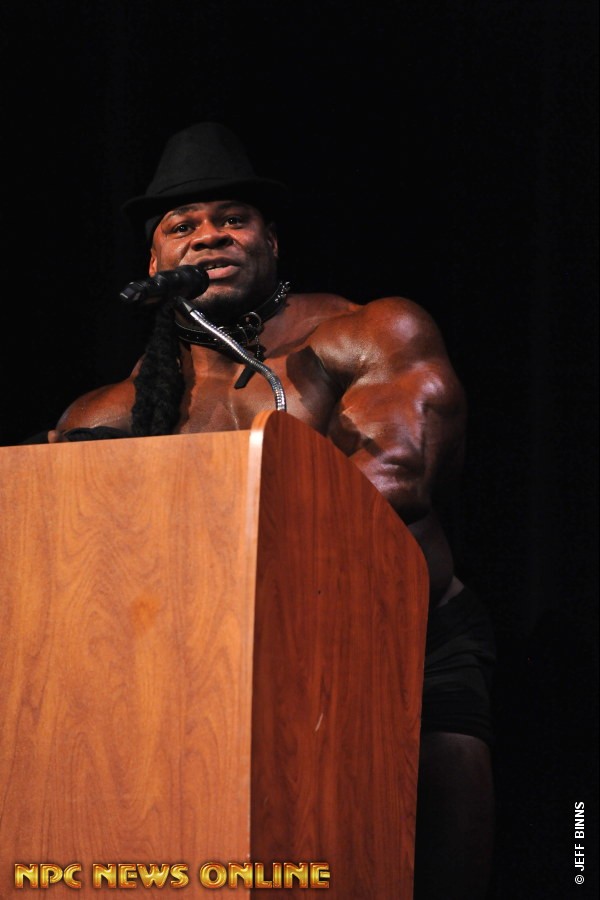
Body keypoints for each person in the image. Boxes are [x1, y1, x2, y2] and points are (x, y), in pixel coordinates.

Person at [44, 121, 496, 899]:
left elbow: (402, 475)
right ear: (153, 263)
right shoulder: (116, 408)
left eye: (233, 219)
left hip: (402, 647)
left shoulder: (366, 332)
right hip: (219, 670)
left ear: (271, 242)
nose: (209, 235)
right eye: (182, 226)